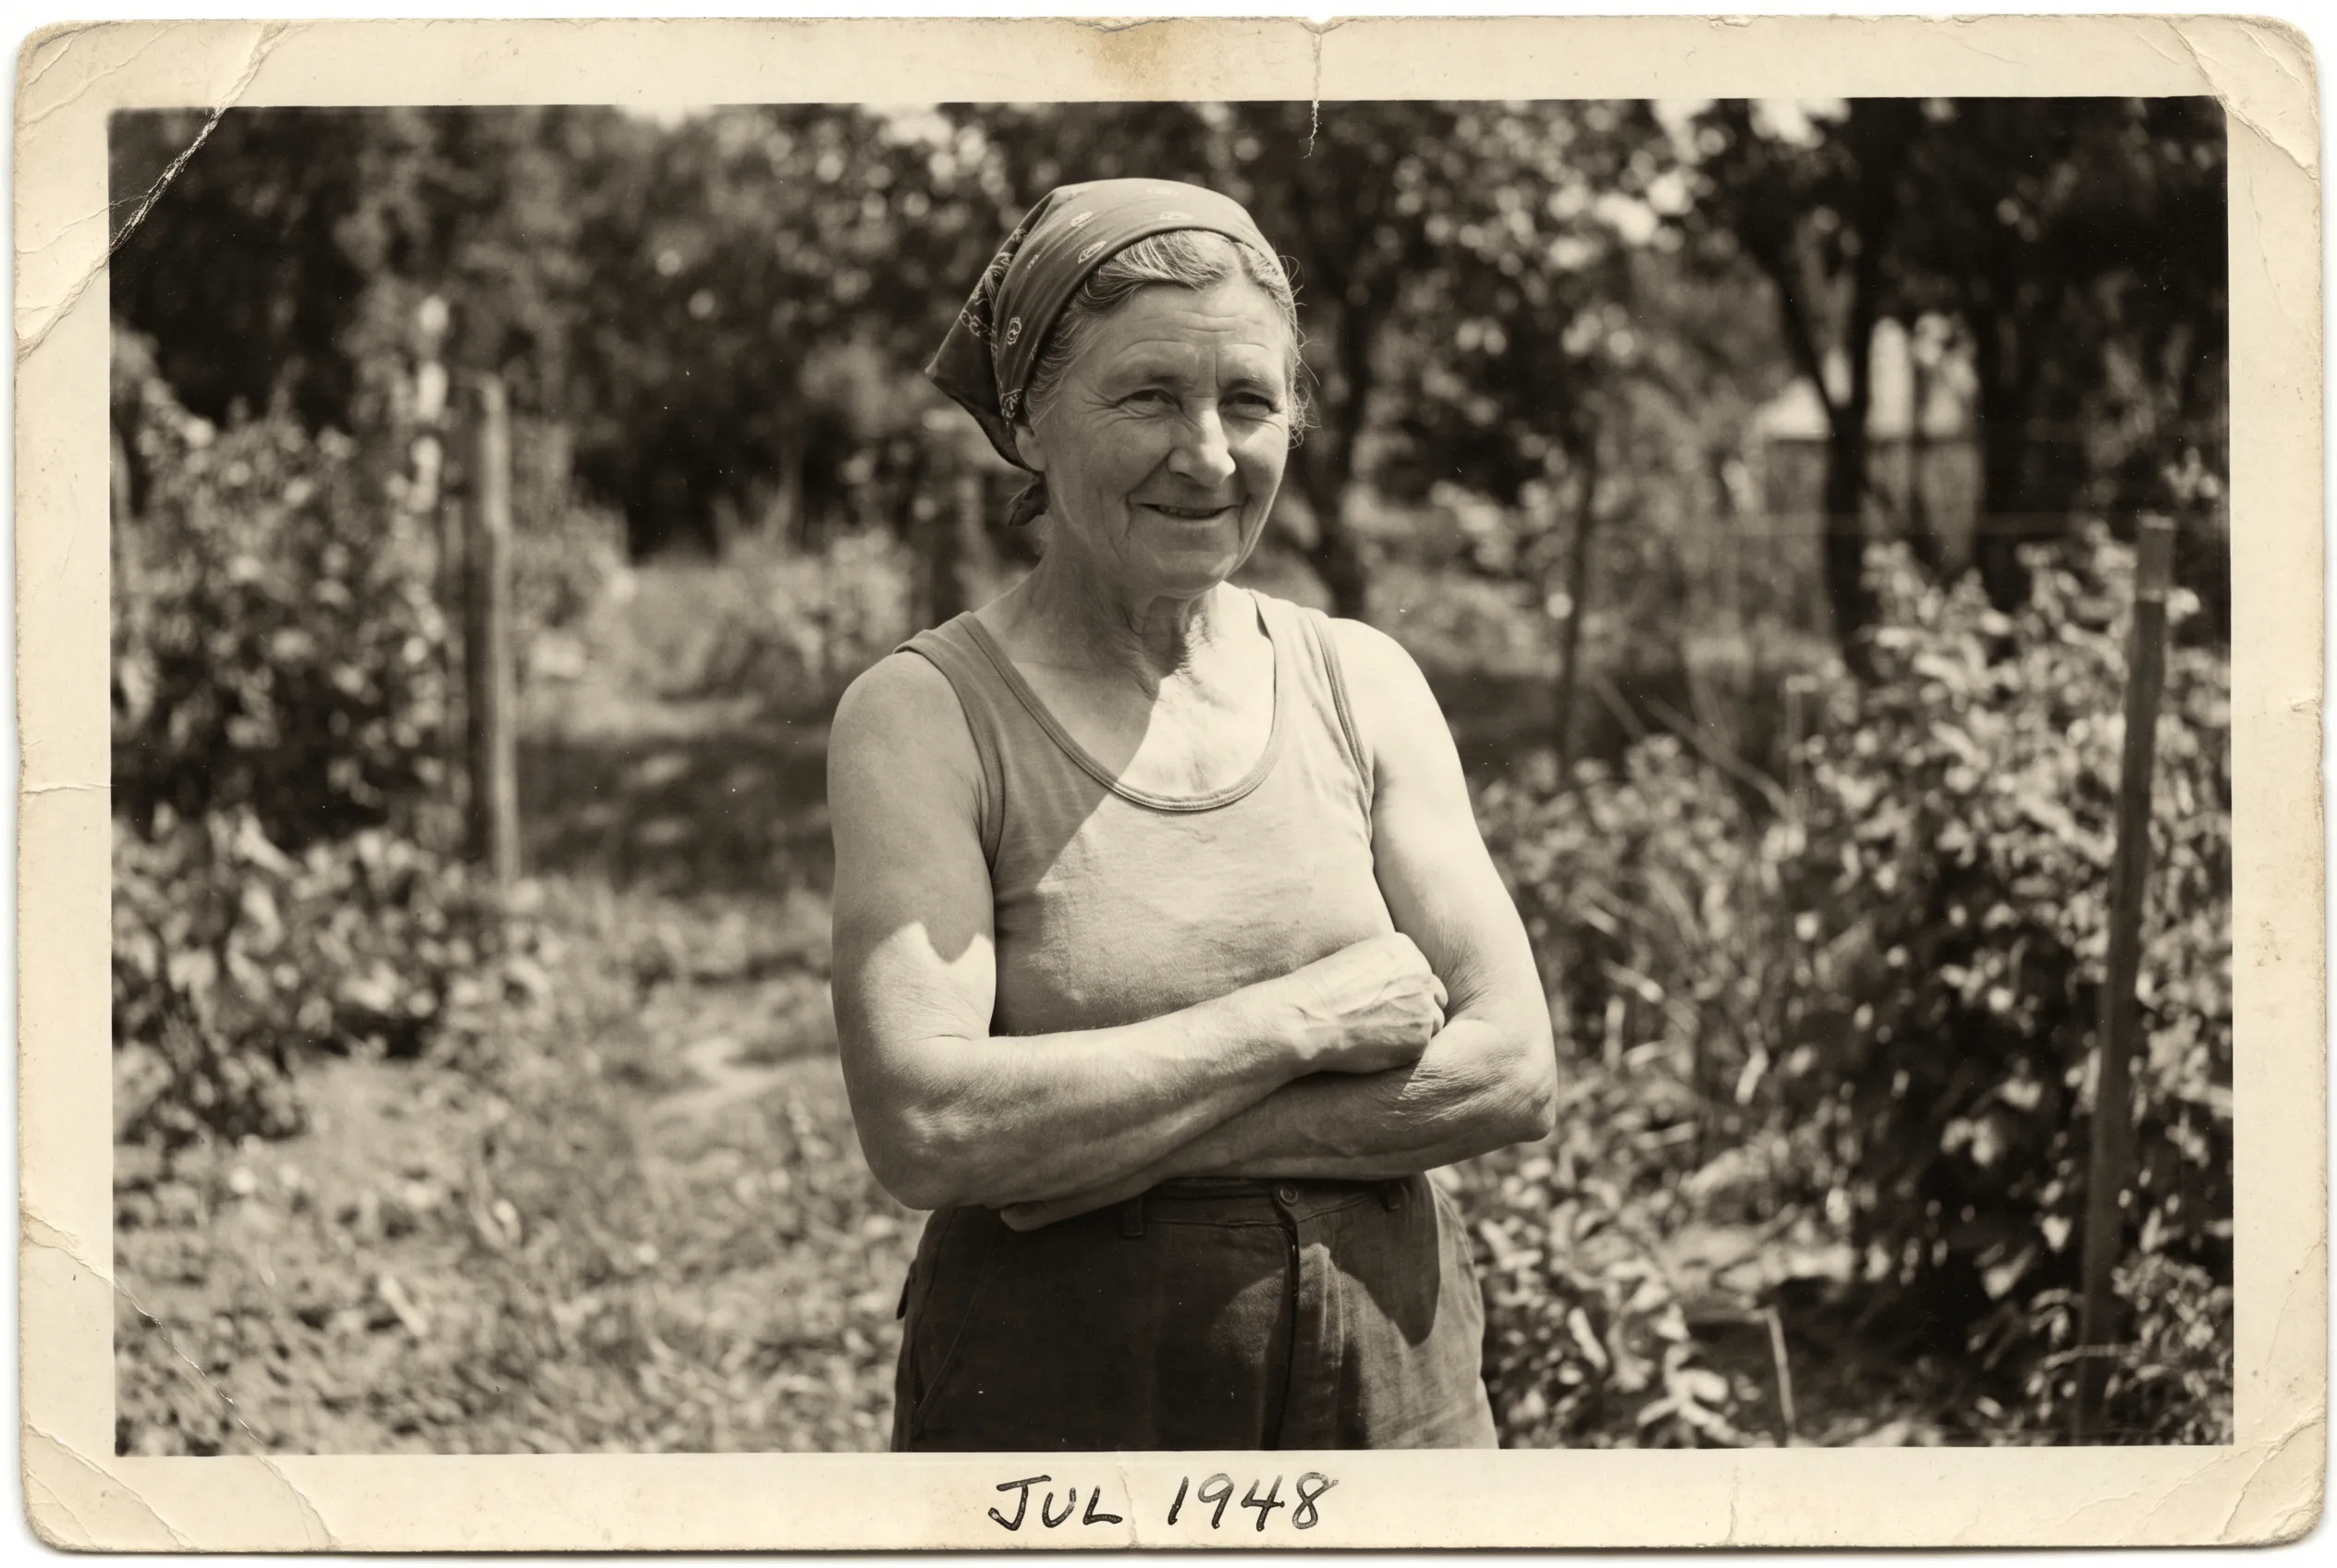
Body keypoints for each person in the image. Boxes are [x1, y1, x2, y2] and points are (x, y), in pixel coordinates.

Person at [827, 178, 1556, 1452]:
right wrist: (1306, 1018)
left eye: (1249, 402)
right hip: (1068, 1408)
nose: (1210, 454)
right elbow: (929, 1126)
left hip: (1397, 1386)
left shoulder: (1360, 679)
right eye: (1150, 396)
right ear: (1030, 420)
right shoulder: (927, 715)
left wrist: (1120, 1150)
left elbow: (1510, 1068)